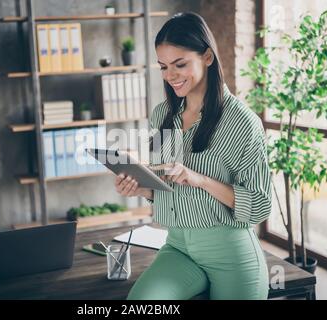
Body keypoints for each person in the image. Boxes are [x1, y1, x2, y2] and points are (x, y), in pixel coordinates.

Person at [114, 12, 272, 300]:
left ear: (208, 57)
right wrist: (142, 187)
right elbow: (167, 186)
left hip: (231, 254)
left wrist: (200, 179)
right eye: (163, 67)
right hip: (178, 247)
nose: (169, 75)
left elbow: (260, 205)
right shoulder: (162, 115)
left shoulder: (243, 123)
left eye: (180, 64)